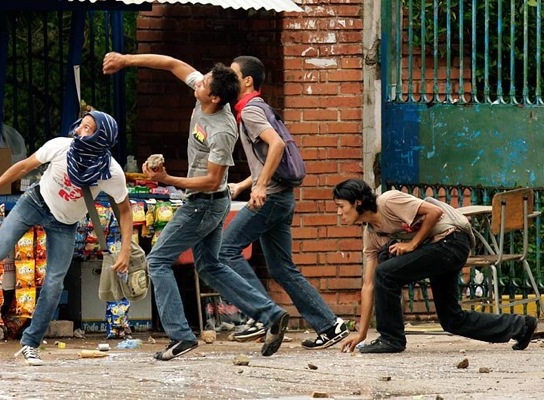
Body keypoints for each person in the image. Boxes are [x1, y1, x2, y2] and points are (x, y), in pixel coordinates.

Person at [102, 52, 290, 361]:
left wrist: (167, 178)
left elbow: (212, 180)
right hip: (208, 204)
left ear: (215, 97)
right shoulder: (206, 91)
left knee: (158, 261)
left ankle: (180, 335)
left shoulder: (223, 129)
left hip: (205, 204)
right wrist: (126, 60)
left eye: (203, 84)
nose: (197, 83)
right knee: (210, 265)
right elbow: (173, 64)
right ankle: (270, 314)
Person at [0, 111, 134, 365]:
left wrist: (125, 251)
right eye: (81, 126)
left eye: (88, 129)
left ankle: (30, 344)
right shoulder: (60, 147)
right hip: (35, 203)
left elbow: (125, 211)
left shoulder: (111, 172)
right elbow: (22, 167)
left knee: (54, 284)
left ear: (101, 139)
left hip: (65, 224)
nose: (79, 132)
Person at [221, 55, 348, 350]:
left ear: (247, 80)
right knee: (282, 268)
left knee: (225, 250)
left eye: (233, 75)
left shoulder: (251, 112)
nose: (228, 79)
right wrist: (244, 184)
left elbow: (276, 146)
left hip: (272, 198)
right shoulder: (259, 108)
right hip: (282, 198)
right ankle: (330, 326)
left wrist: (261, 185)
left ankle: (262, 315)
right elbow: (267, 159)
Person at [334, 178, 538, 353]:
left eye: (341, 206)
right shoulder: (371, 234)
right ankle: (521, 326)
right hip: (438, 250)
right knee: (451, 319)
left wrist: (411, 244)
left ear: (358, 202)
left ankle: (391, 338)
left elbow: (435, 211)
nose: (339, 212)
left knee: (386, 272)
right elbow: (368, 285)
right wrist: (361, 334)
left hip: (452, 241)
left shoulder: (388, 201)